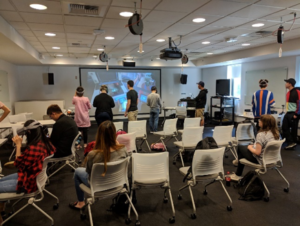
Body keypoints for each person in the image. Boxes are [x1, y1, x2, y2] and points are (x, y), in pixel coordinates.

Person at [0, 120, 55, 223]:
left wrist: (18, 146)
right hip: (34, 177)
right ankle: (1, 210)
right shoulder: (45, 142)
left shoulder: (34, 149)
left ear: (29, 132)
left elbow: (18, 165)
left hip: (28, 183)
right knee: (1, 180)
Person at [69, 120, 128, 210]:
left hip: (98, 185)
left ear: (99, 134)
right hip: (117, 184)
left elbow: (88, 172)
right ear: (114, 133)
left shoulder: (93, 154)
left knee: (77, 172)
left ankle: (81, 203)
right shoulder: (123, 149)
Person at [230, 115, 280, 181]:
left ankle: (238, 170)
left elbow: (257, 153)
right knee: (244, 150)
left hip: (260, 160)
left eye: (260, 120)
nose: (259, 121)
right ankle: (238, 163)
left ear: (265, 123)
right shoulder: (276, 134)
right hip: (272, 159)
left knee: (241, 147)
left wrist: (249, 147)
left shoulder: (261, 135)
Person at [282, 78, 300, 150]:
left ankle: (293, 143)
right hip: (288, 113)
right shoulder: (288, 93)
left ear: (290, 84)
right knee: (284, 128)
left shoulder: (297, 92)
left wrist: (297, 114)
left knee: (293, 130)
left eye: (286, 83)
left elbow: (299, 103)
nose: (285, 84)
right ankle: (291, 142)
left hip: (294, 113)